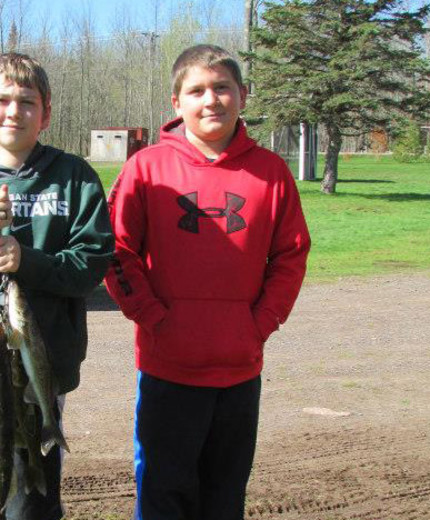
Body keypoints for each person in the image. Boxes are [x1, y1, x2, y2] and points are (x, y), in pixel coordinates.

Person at [104, 44, 311, 520]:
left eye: (222, 88)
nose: (211, 100)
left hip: (239, 370)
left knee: (224, 497)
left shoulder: (271, 172)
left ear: (243, 95)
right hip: (167, 368)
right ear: (176, 103)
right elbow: (117, 251)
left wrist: (260, 322)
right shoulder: (147, 167)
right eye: (196, 90)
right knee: (163, 494)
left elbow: (291, 254)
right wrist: (153, 318)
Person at [0, 52, 114, 520]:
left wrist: (24, 260)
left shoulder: (74, 180)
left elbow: (90, 267)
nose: (14, 111)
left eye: (27, 102)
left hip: (39, 371)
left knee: (29, 504)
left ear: (46, 113)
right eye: (2, 100)